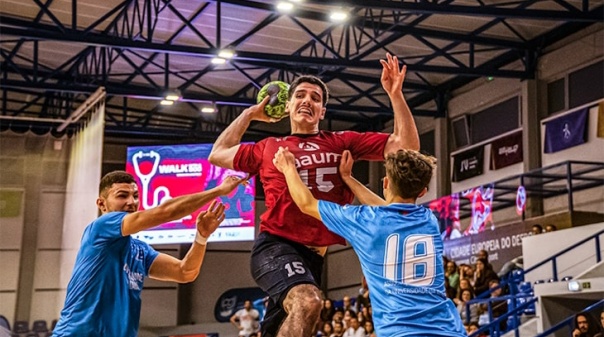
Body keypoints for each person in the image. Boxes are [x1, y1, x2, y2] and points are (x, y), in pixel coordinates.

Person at [209, 53, 419, 337]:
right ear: (288, 105)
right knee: (309, 302)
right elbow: (218, 154)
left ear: (322, 112)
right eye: (300, 95)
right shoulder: (268, 146)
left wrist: (395, 95)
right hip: (275, 246)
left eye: (316, 98)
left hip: (314, 257)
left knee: (289, 323)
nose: (307, 100)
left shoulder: (341, 142)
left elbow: (405, 147)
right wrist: (249, 114)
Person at [272, 148, 466, 336]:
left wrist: (288, 167)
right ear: (423, 192)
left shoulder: (365, 221)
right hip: (450, 330)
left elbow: (307, 203)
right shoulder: (428, 220)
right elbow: (390, 211)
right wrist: (349, 179)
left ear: (386, 183)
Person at [52, 171, 246, 337]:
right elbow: (166, 212)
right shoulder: (101, 228)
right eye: (122, 196)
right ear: (102, 204)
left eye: (135, 196)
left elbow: (185, 272)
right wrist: (219, 190)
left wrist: (201, 237)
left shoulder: (140, 250)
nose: (131, 202)